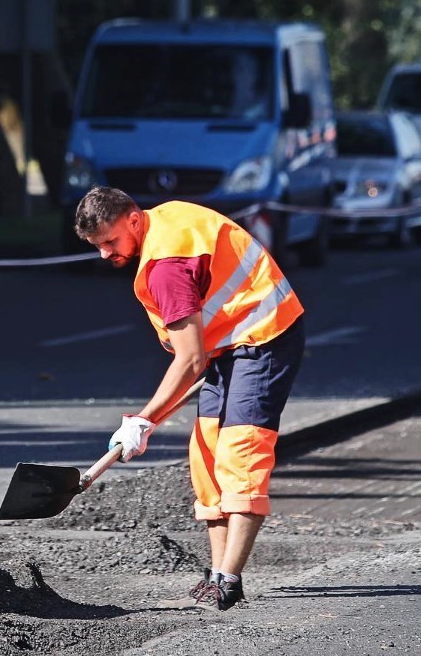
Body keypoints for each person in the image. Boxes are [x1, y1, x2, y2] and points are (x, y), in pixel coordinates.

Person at [73, 186, 305, 611]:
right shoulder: (163, 220)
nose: (105, 254)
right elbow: (197, 353)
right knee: (206, 453)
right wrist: (147, 419)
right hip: (229, 341)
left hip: (264, 336)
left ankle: (229, 579)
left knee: (241, 452)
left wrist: (142, 420)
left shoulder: (166, 266)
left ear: (133, 220)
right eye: (96, 246)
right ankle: (216, 572)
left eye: (110, 242)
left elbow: (190, 358)